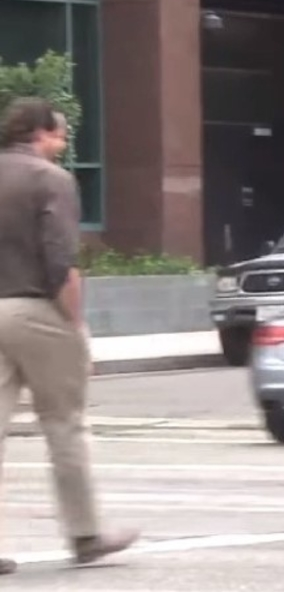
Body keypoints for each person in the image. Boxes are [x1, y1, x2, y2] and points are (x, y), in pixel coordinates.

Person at [0, 98, 140, 576]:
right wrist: (75, 325)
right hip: (37, 308)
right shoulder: (51, 180)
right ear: (40, 133)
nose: (62, 144)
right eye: (60, 135)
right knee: (65, 425)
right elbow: (61, 260)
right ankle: (86, 534)